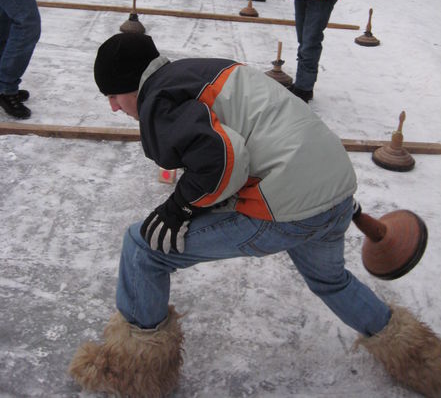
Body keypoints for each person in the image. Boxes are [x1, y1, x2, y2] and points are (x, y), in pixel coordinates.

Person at [68, 32, 441, 398]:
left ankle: (134, 371)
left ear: (132, 84)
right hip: (336, 191)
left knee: (143, 248)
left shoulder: (159, 99)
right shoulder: (200, 71)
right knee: (332, 282)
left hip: (288, 206)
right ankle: (422, 359)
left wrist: (178, 206)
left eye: (113, 95)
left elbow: (224, 158)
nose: (114, 107)